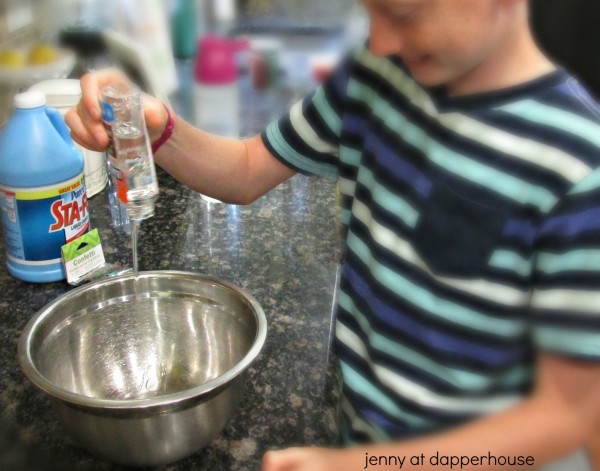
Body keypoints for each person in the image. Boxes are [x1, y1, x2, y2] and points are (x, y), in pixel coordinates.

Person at [66, 0, 600, 469]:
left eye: (403, 12)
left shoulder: (577, 166)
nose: (381, 38)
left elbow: (568, 416)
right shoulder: (377, 75)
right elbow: (248, 169)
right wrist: (160, 129)